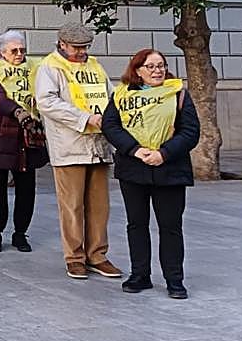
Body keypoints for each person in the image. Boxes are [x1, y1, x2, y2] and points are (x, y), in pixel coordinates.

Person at [102, 49, 199, 299]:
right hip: (134, 169)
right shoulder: (122, 95)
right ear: (137, 70)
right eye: (151, 66)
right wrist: (135, 150)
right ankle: (140, 274)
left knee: (170, 227)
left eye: (161, 66)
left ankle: (174, 280)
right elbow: (110, 125)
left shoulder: (178, 94)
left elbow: (190, 132)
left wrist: (164, 153)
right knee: (136, 224)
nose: (158, 71)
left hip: (170, 170)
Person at [35, 22, 121, 281]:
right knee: (71, 206)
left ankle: (97, 255)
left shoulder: (94, 66)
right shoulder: (49, 67)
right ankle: (74, 257)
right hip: (70, 146)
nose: (82, 52)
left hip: (98, 145)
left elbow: (110, 94)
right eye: (77, 47)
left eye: (85, 47)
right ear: (62, 44)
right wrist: (84, 118)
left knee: (99, 206)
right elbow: (47, 102)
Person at [0, 31, 48, 253]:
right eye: (14, 51)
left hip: (28, 138)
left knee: (27, 188)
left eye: (22, 50)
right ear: (1, 52)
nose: (19, 54)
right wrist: (17, 111)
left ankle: (20, 233)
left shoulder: (34, 69)